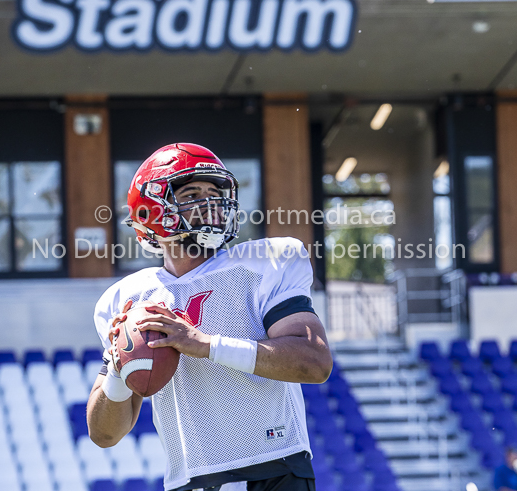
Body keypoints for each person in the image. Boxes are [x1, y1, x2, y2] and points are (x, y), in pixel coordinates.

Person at [86, 143, 333, 491]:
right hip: (189, 481)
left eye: (215, 193)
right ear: (150, 210)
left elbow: (314, 361)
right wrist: (116, 366)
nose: (210, 203)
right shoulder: (124, 299)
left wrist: (206, 344)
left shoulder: (268, 261)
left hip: (274, 471)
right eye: (191, 193)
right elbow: (104, 435)